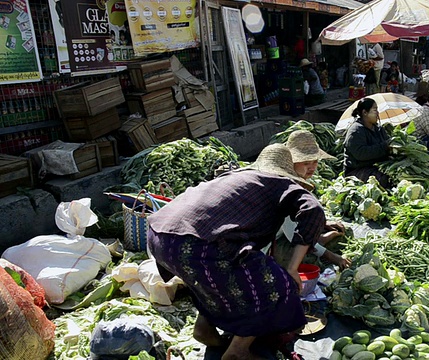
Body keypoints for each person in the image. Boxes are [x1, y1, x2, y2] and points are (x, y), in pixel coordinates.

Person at [147, 144, 326, 359]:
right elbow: (314, 210)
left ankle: (205, 330)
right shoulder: (281, 183)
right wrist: (292, 269)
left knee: (213, 282)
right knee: (277, 285)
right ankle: (238, 351)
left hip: (161, 235)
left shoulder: (238, 176)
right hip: (199, 244)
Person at [276, 130, 351, 270]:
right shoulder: (284, 187)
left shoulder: (296, 181)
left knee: (343, 232)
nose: (312, 167)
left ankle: (319, 241)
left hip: (287, 232)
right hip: (270, 243)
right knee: (310, 258)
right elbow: (294, 235)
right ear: (291, 162)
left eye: (315, 161)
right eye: (305, 162)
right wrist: (332, 256)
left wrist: (323, 224)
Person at [343, 98, 391, 188]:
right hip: (357, 171)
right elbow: (361, 153)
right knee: (385, 180)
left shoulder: (378, 129)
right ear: (365, 112)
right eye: (374, 110)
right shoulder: (356, 131)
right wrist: (385, 146)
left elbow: (387, 142)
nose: (377, 113)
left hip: (376, 166)